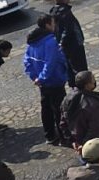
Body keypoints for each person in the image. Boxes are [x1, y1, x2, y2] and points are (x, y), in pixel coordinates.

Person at [24, 14, 68, 145]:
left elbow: (27, 62)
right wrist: (42, 78)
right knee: (59, 110)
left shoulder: (32, 43)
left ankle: (49, 135)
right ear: (48, 25)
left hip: (42, 84)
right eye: (53, 23)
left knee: (46, 109)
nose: (55, 26)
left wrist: (36, 78)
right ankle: (64, 137)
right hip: (54, 81)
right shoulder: (51, 42)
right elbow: (50, 63)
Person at [59, 72, 99, 167]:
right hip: (96, 147)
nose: (94, 81)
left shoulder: (67, 99)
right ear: (87, 85)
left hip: (79, 144)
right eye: (93, 79)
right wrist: (85, 145)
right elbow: (96, 129)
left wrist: (73, 141)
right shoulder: (93, 105)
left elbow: (63, 122)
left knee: (87, 172)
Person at [50, 0, 88, 89]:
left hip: (65, 47)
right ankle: (84, 88)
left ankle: (74, 87)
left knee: (70, 68)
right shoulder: (65, 12)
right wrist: (63, 42)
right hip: (74, 45)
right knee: (80, 67)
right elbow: (68, 30)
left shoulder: (53, 11)